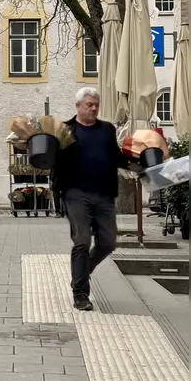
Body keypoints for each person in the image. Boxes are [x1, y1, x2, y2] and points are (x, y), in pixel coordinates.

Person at [52, 87, 131, 311]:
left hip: (104, 193)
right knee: (82, 241)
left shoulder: (106, 129)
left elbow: (116, 156)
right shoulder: (65, 130)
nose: (94, 108)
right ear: (78, 106)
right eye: (89, 105)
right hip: (76, 193)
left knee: (107, 242)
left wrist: (139, 164)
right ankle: (81, 294)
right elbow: (51, 158)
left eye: (96, 105)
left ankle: (82, 273)